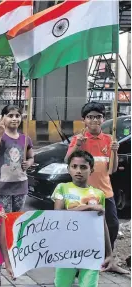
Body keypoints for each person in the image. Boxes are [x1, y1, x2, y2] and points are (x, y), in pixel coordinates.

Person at [64, 102, 127, 274]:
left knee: (112, 225)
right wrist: (78, 146)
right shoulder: (79, 139)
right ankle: (79, 264)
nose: (94, 120)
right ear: (84, 120)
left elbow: (112, 170)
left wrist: (115, 151)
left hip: (105, 192)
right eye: (90, 117)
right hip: (83, 194)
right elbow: (67, 162)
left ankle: (107, 259)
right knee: (83, 230)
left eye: (98, 117)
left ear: (103, 119)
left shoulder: (109, 140)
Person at [53, 150, 114, 286]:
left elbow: (102, 223)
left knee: (89, 284)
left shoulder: (98, 194)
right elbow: (58, 214)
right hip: (66, 249)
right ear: (68, 169)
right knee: (62, 284)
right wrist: (87, 207)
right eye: (74, 166)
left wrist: (109, 253)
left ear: (91, 169)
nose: (78, 171)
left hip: (91, 250)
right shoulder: (62, 188)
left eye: (83, 167)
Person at [0, 105, 34, 213]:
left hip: (21, 187)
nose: (14, 118)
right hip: (3, 188)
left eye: (17, 116)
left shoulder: (25, 138)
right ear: (3, 118)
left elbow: (31, 157)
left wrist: (29, 163)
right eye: (10, 116)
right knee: (4, 219)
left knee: (17, 219)